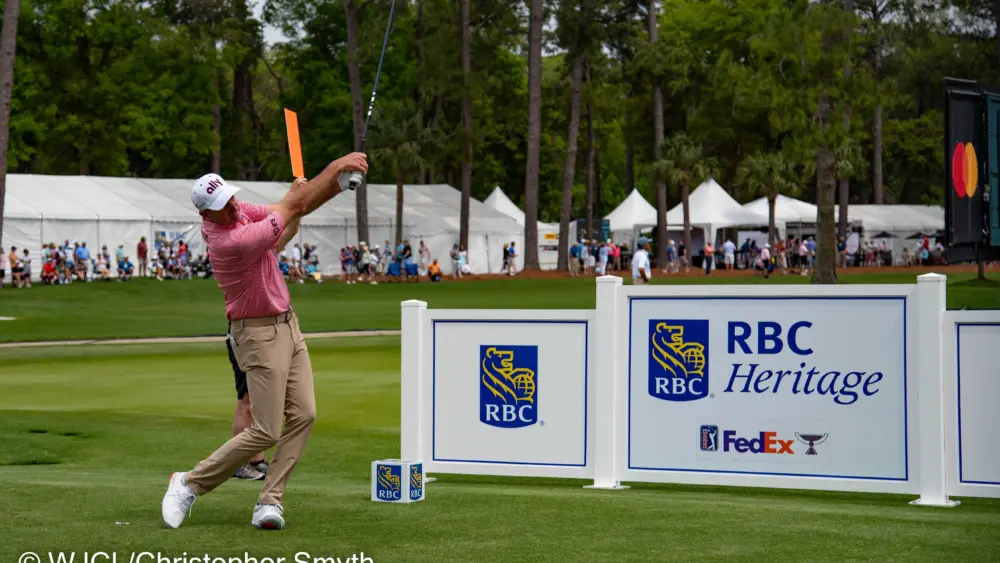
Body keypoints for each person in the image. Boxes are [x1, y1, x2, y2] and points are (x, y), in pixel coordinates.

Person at [161, 152, 368, 531]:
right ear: (208, 215)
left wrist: (331, 188)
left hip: (288, 325)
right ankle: (189, 482)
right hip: (255, 334)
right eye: (224, 205)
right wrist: (337, 169)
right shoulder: (230, 240)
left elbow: (289, 208)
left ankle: (269, 501)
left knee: (304, 414)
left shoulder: (237, 214)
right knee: (266, 431)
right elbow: (291, 207)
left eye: (231, 197)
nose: (235, 205)